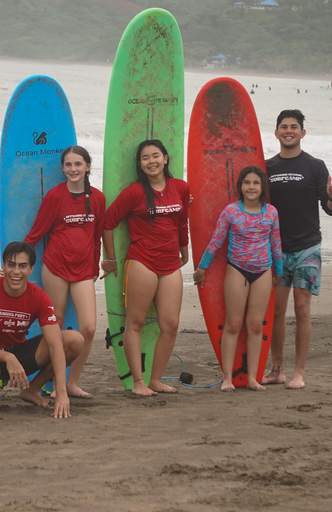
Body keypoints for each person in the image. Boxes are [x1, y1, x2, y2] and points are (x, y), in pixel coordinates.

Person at [101, 139, 189, 396]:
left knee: (170, 325)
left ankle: (156, 380)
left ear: (166, 158)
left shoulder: (181, 188)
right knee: (135, 323)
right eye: (145, 158)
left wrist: (185, 250)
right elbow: (108, 222)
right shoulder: (134, 192)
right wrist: (110, 258)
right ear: (140, 164)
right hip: (142, 262)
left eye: (155, 156)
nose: (151, 161)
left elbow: (182, 221)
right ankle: (138, 382)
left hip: (171, 263)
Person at [262, 109, 332, 389]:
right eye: (283, 126)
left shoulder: (315, 166)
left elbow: (329, 209)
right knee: (276, 312)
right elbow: (253, 205)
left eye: (294, 126)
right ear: (276, 133)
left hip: (308, 246)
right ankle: (276, 370)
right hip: (277, 250)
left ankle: (299, 373)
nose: (289, 130)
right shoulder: (266, 167)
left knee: (303, 309)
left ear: (302, 133)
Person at [23, 145, 105, 399]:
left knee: (89, 328)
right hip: (55, 267)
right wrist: (16, 262)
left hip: (82, 271)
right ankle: (51, 381)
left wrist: (95, 264)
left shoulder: (99, 198)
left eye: (78, 164)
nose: (73, 169)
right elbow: (36, 233)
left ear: (88, 166)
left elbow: (96, 237)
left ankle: (72, 383)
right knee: (54, 325)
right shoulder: (55, 197)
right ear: (63, 168)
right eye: (68, 165)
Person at [0, 242, 83, 418]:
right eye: (11, 265)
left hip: (21, 355)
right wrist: (7, 357)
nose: (16, 271)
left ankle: (32, 390)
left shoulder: (38, 296)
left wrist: (61, 392)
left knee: (74, 340)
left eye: (22, 266)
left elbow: (55, 345)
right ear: (3, 266)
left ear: (31, 269)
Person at [192, 166, 283, 392]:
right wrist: (202, 268)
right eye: (247, 183)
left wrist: (278, 272)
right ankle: (227, 378)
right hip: (237, 270)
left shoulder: (271, 212)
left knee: (254, 325)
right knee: (233, 324)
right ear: (240, 186)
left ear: (262, 187)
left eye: (256, 183)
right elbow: (216, 241)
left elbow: (276, 244)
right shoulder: (231, 211)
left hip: (263, 271)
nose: (251, 187)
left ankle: (252, 378)